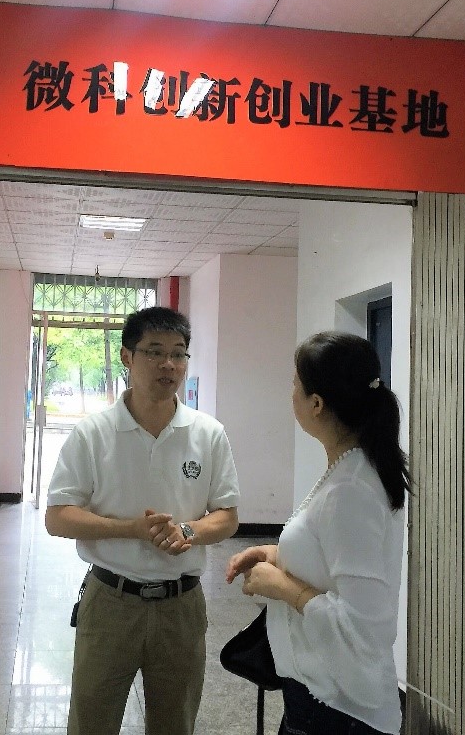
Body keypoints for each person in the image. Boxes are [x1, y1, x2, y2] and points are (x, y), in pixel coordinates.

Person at [45, 306, 241, 735]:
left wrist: (188, 531)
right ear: (127, 357)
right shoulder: (93, 434)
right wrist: (130, 529)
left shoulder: (208, 433)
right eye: (154, 351)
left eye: (178, 353)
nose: (168, 364)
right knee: (91, 723)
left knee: (175, 724)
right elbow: (57, 517)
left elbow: (227, 516)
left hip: (181, 607)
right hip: (110, 603)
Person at [226, 331, 409, 735]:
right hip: (321, 696)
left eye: (295, 384)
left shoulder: (351, 490)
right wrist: (278, 556)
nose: (290, 393)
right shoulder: (349, 470)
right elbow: (334, 560)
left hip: (339, 709)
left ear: (316, 403)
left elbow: (363, 627)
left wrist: (284, 587)